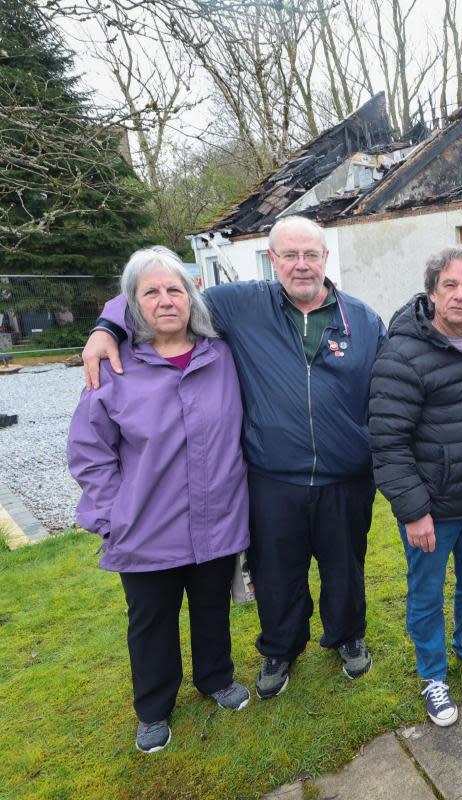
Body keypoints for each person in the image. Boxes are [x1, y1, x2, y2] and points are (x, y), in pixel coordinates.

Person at [82, 216, 386, 698]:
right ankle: (280, 650)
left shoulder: (365, 322)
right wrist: (105, 325)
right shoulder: (241, 305)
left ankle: (348, 636)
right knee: (276, 573)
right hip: (271, 478)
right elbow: (164, 294)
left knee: (345, 566)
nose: (301, 265)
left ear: (326, 258)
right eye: (289, 255)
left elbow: (388, 396)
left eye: (311, 254)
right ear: (274, 261)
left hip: (345, 478)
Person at [68, 247, 251, 753]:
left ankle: (216, 678)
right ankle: (153, 708)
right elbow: (89, 452)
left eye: (175, 290)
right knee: (151, 622)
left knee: (212, 608)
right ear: (133, 305)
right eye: (151, 292)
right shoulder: (114, 369)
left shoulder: (222, 355)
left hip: (217, 520)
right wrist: (111, 516)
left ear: (191, 298)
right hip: (145, 528)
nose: (165, 300)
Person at [370, 246, 462, 727]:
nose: (459, 295)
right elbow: (387, 443)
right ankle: (433, 675)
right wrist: (413, 511)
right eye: (450, 285)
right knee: (426, 594)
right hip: (433, 508)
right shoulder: (403, 353)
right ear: (432, 291)